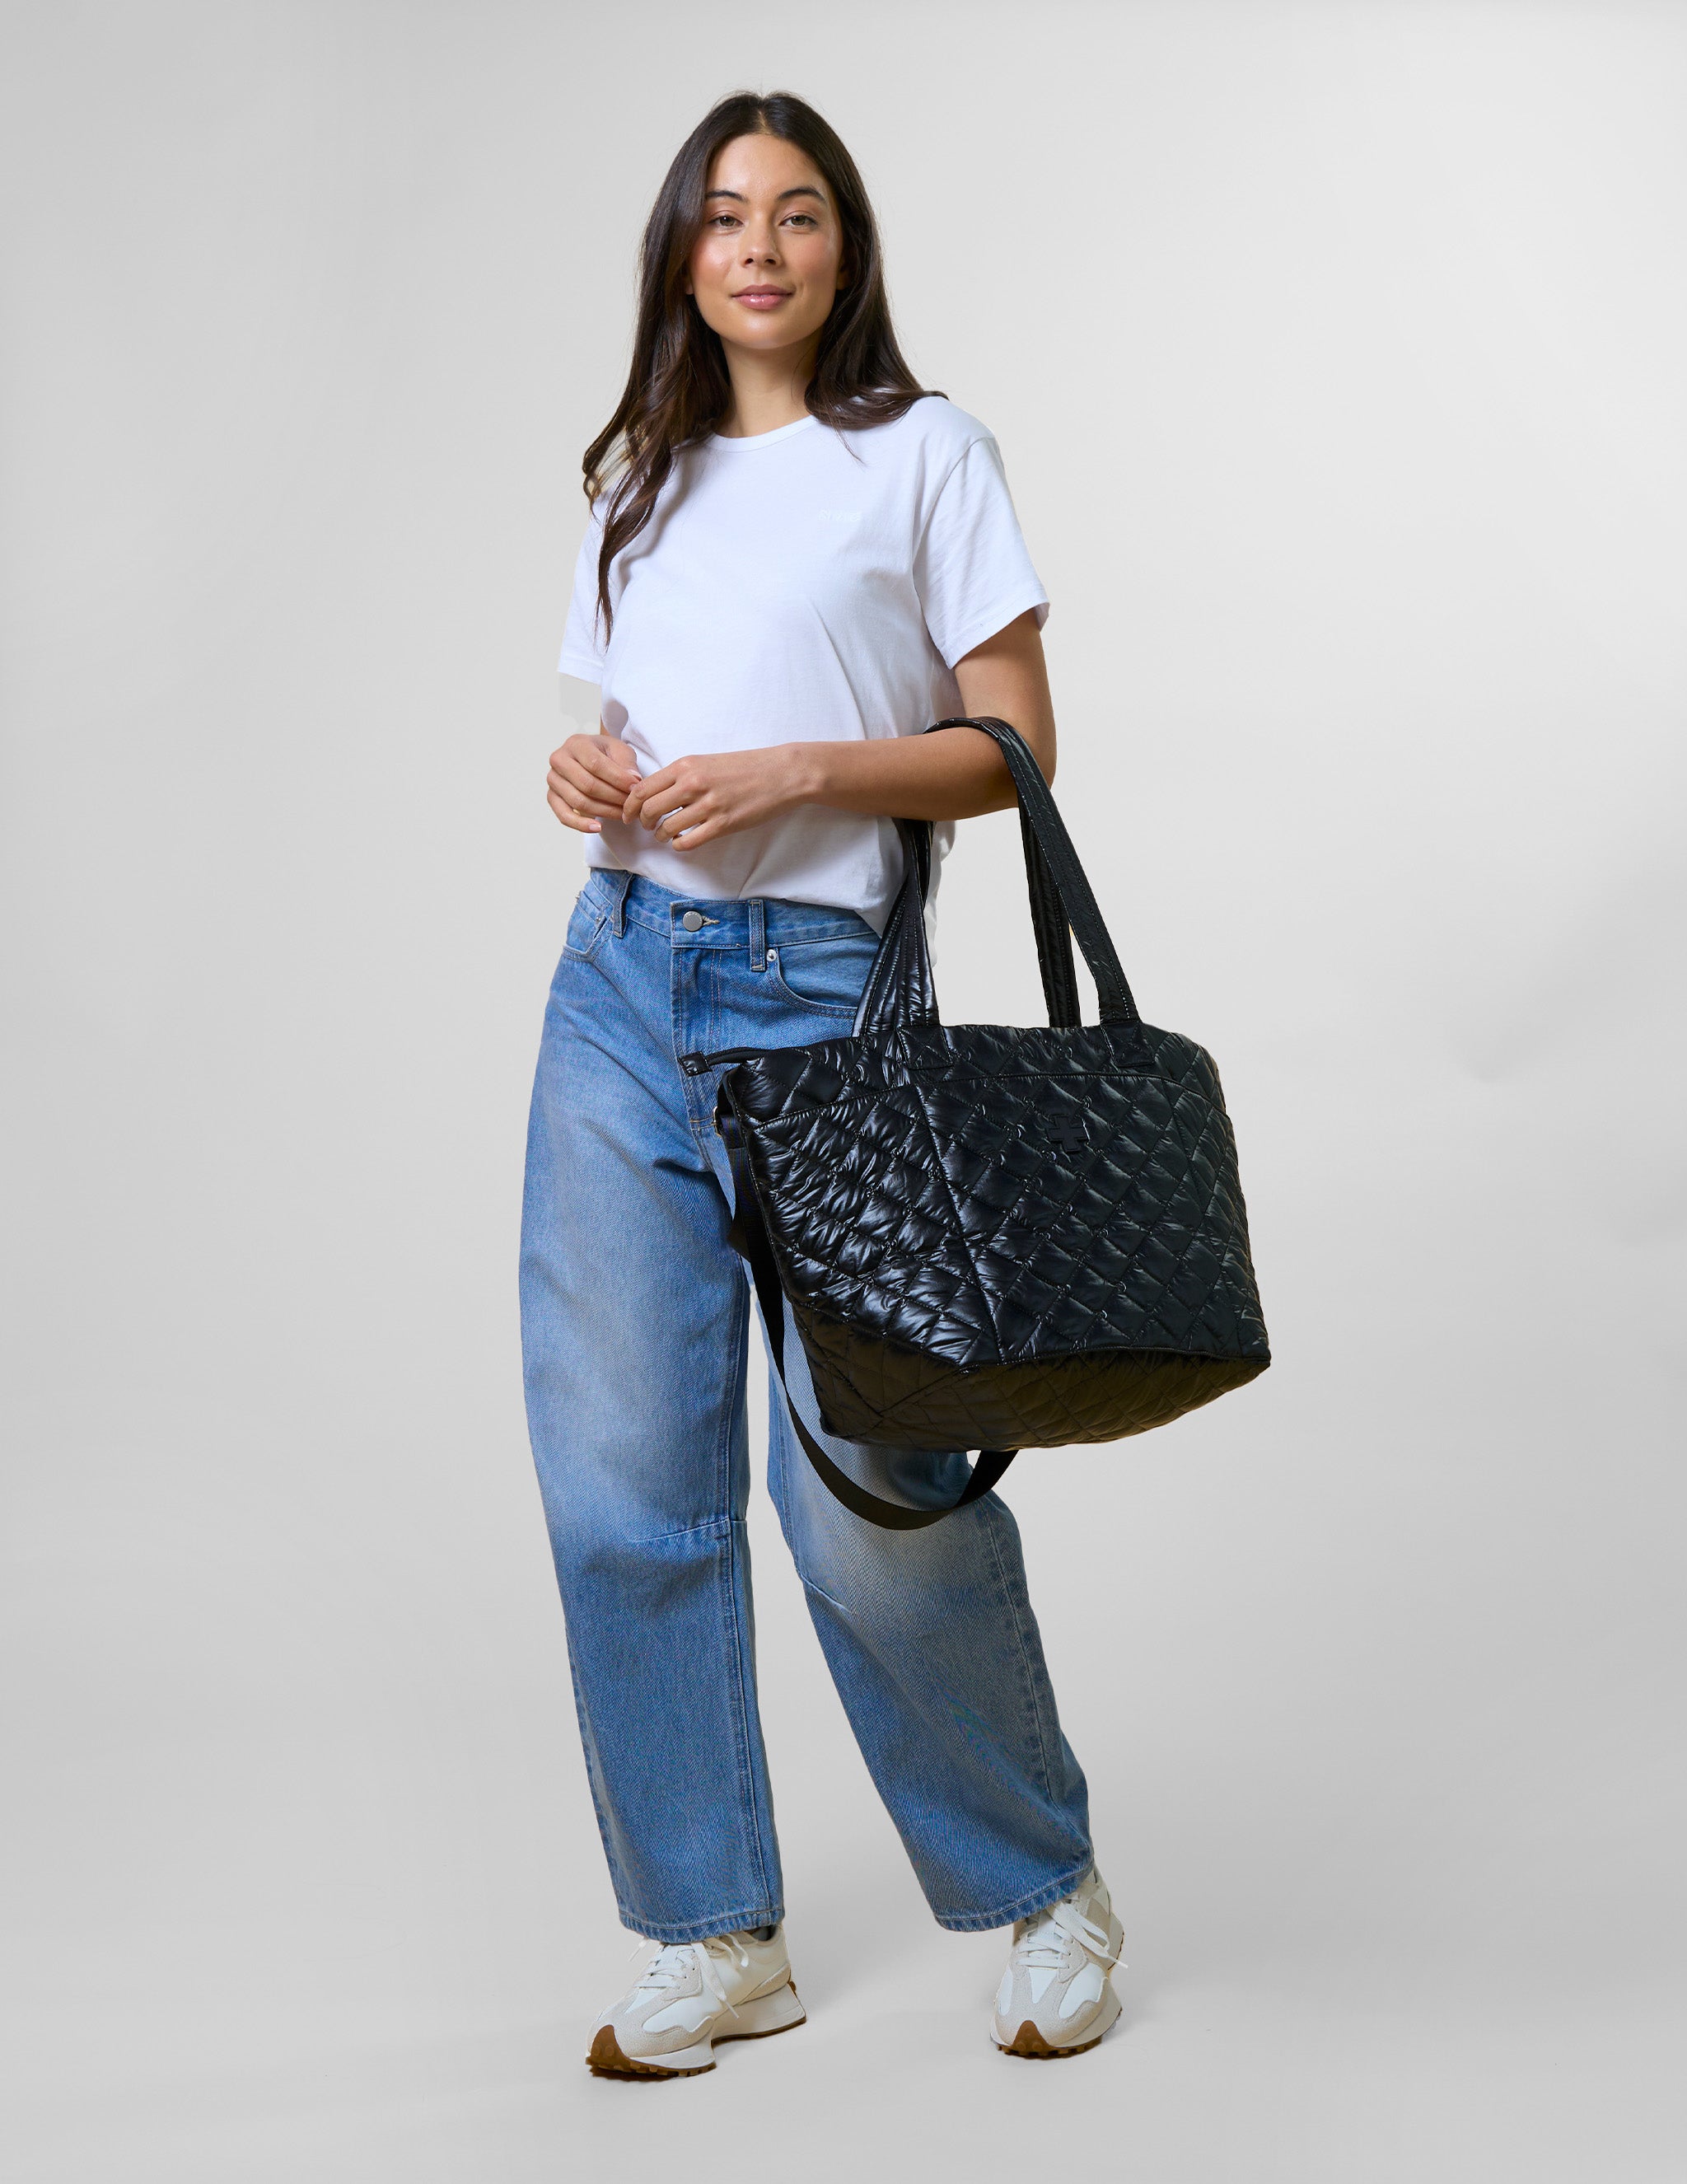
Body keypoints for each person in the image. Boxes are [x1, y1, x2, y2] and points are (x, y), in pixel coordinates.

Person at [521, 89, 1124, 2078]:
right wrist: (588, 772)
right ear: (679, 253)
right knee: (621, 1489)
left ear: (843, 245)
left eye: (795, 213)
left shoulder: (926, 453)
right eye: (722, 217)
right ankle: (714, 1934)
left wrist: (802, 769)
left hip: (825, 999)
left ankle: (1045, 1885)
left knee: (870, 1486)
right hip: (618, 987)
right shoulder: (639, 468)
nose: (758, 248)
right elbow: (633, 716)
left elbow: (1013, 745)